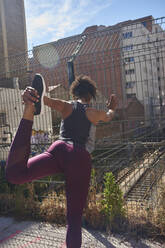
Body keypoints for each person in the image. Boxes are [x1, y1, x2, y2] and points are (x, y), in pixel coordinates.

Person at [5, 74, 117, 248]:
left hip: (58, 149)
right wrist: (112, 108)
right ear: (91, 96)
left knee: (16, 174)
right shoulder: (93, 113)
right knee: (73, 218)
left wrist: (33, 97)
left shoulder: (68, 106)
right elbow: (109, 116)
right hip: (79, 156)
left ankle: (28, 112)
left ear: (75, 94)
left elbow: (47, 100)